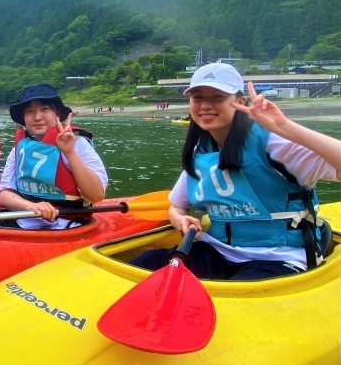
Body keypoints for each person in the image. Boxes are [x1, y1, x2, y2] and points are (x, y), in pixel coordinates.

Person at [131, 63, 341, 280]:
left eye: (217, 97)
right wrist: (180, 220)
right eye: (198, 97)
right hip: (217, 250)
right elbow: (177, 206)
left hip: (278, 257)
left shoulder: (273, 142)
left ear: (240, 102)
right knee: (145, 263)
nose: (205, 105)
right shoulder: (201, 150)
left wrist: (283, 126)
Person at [0, 83, 108, 229]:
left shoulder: (77, 144)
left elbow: (96, 195)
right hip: (23, 222)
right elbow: (4, 194)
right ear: (24, 118)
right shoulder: (19, 149)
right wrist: (32, 206)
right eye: (30, 111)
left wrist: (69, 152)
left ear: (57, 113)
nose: (37, 117)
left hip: (67, 226)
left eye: (45, 109)